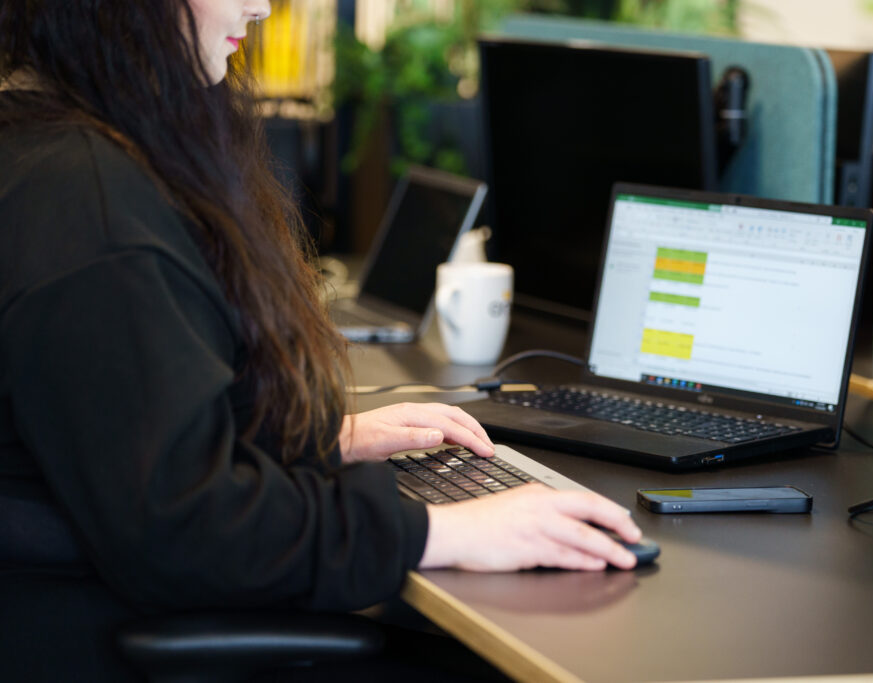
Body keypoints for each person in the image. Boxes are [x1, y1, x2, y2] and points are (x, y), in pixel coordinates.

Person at [0, 0, 640, 679]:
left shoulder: (43, 141)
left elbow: (113, 432)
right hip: (109, 636)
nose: (260, 5)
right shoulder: (94, 205)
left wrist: (312, 439)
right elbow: (182, 528)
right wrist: (443, 532)